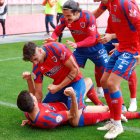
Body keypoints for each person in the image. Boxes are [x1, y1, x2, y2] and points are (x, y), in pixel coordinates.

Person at [17, 72, 140, 129]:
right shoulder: (47, 119)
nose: (35, 96)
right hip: (76, 114)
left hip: (66, 103)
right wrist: (73, 97)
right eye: (33, 98)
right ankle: (136, 115)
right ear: (33, 103)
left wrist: (29, 80)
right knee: (110, 112)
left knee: (88, 81)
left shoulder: (28, 111)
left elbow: (33, 116)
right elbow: (72, 115)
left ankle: (99, 103)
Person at [93, 0, 140, 139]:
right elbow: (124, 29)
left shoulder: (125, 3)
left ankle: (118, 125)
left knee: (113, 84)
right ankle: (114, 119)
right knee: (104, 81)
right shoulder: (108, 3)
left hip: (132, 50)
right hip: (121, 47)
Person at [45, 0, 109, 98]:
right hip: (80, 50)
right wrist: (52, 38)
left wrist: (77, 44)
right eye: (64, 15)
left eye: (68, 16)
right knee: (70, 70)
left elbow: (92, 38)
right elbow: (57, 31)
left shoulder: (88, 16)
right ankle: (74, 93)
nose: (66, 18)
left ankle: (117, 101)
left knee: (106, 72)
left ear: (76, 13)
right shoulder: (64, 18)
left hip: (96, 47)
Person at [22, 41, 103, 110]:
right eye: (32, 61)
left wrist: (58, 87)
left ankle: (106, 109)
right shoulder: (36, 67)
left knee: (74, 110)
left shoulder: (55, 48)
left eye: (35, 59)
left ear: (40, 50)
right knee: (45, 107)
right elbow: (38, 94)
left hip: (75, 80)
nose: (35, 63)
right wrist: (35, 114)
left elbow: (75, 70)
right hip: (59, 86)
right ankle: (70, 98)